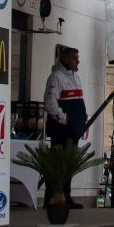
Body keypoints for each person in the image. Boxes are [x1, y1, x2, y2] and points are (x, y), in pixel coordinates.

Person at [43, 46, 88, 208]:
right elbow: (50, 103)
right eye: (75, 58)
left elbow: (78, 103)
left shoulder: (77, 78)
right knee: (57, 166)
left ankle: (66, 196)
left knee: (69, 165)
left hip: (73, 130)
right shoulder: (56, 77)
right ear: (66, 59)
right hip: (61, 131)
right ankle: (52, 197)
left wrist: (81, 121)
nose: (78, 61)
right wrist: (64, 119)